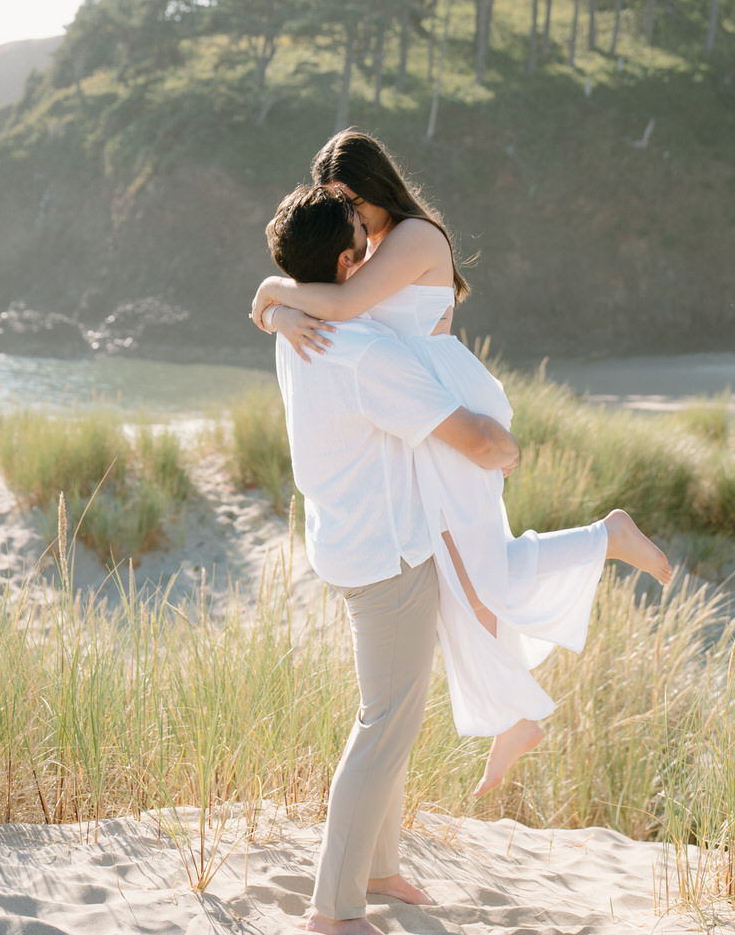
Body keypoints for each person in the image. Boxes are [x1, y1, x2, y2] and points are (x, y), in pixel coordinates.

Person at [252, 129, 673, 796]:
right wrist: (277, 310)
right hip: (417, 414)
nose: (349, 223)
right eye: (338, 209)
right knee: (461, 573)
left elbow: (340, 305)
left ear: (377, 187)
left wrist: (272, 293)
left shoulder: (417, 238)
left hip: (448, 405)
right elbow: (329, 307)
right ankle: (512, 711)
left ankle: (606, 539)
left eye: (353, 205)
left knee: (481, 568)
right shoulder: (370, 246)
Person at [264, 182, 520, 935]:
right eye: (365, 242)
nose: (377, 250)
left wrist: (276, 303)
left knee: (391, 717)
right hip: (388, 559)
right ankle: (333, 908)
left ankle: (377, 870)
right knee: (385, 725)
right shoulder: (363, 352)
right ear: (346, 263)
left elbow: (275, 305)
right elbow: (472, 438)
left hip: (345, 543)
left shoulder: (297, 329)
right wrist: (508, 449)